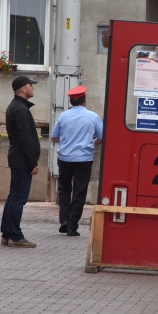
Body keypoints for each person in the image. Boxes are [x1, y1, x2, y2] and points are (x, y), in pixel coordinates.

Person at [51, 86, 103, 236]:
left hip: (65, 157)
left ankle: (64, 220)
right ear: (84, 100)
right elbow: (101, 136)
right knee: (79, 191)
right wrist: (91, 142)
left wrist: (67, 141)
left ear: (71, 101)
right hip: (84, 158)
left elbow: (55, 137)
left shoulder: (63, 116)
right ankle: (73, 224)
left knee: (64, 188)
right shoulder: (93, 116)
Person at [0, 75, 40, 247]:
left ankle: (7, 233)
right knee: (18, 198)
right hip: (22, 160)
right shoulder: (21, 109)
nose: (33, 88)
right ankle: (15, 235)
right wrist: (33, 162)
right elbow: (25, 138)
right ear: (24, 89)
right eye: (31, 85)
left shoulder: (15, 106)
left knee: (13, 197)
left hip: (18, 158)